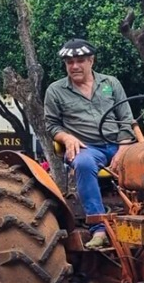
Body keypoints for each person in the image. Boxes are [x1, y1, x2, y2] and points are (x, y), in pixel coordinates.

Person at [44, 38, 136, 249]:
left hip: (118, 144)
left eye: (80, 60)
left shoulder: (110, 84)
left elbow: (126, 118)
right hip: (87, 148)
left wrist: (122, 149)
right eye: (69, 62)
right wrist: (67, 138)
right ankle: (99, 228)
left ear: (91, 60)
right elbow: (51, 125)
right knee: (83, 163)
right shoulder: (55, 91)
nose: (75, 66)